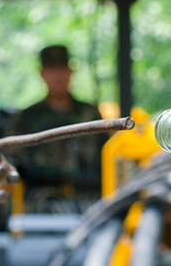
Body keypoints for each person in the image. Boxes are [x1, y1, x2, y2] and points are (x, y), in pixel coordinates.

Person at [6, 44, 104, 190]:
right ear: (42, 73)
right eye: (51, 69)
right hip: (36, 200)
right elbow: (9, 162)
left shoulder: (90, 115)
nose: (58, 75)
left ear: (71, 71)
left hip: (86, 195)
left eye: (62, 68)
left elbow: (107, 157)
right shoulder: (26, 118)